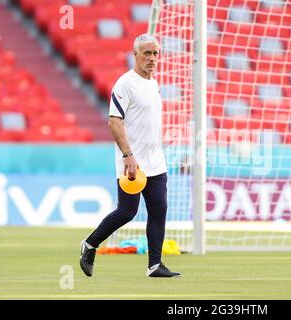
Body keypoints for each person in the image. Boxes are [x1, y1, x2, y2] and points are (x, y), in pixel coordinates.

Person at [79, 34, 181, 278]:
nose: (152, 58)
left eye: (156, 53)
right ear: (135, 55)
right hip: (132, 161)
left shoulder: (153, 83)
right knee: (127, 211)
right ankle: (90, 244)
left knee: (159, 209)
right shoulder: (125, 83)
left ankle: (155, 265)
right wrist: (128, 155)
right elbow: (114, 121)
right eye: (147, 53)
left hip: (155, 159)